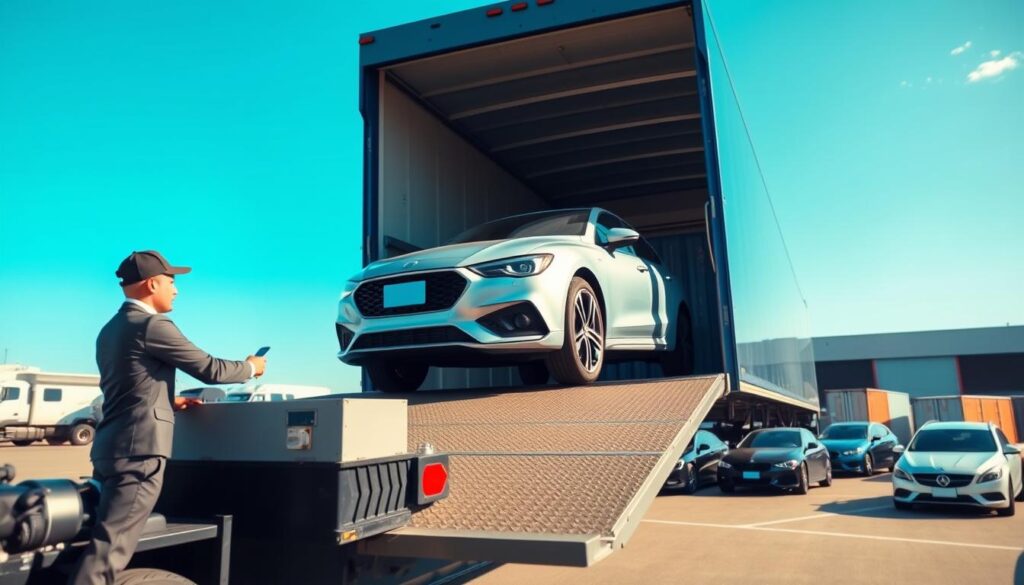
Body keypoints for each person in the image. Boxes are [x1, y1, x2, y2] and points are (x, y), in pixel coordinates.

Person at [71, 250, 267, 585]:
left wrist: (166, 401)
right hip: (139, 455)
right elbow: (209, 368)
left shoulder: (110, 328)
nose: (176, 290)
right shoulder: (152, 324)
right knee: (109, 551)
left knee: (103, 539)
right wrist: (251, 367)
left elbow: (128, 385)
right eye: (172, 282)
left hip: (109, 449)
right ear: (152, 284)